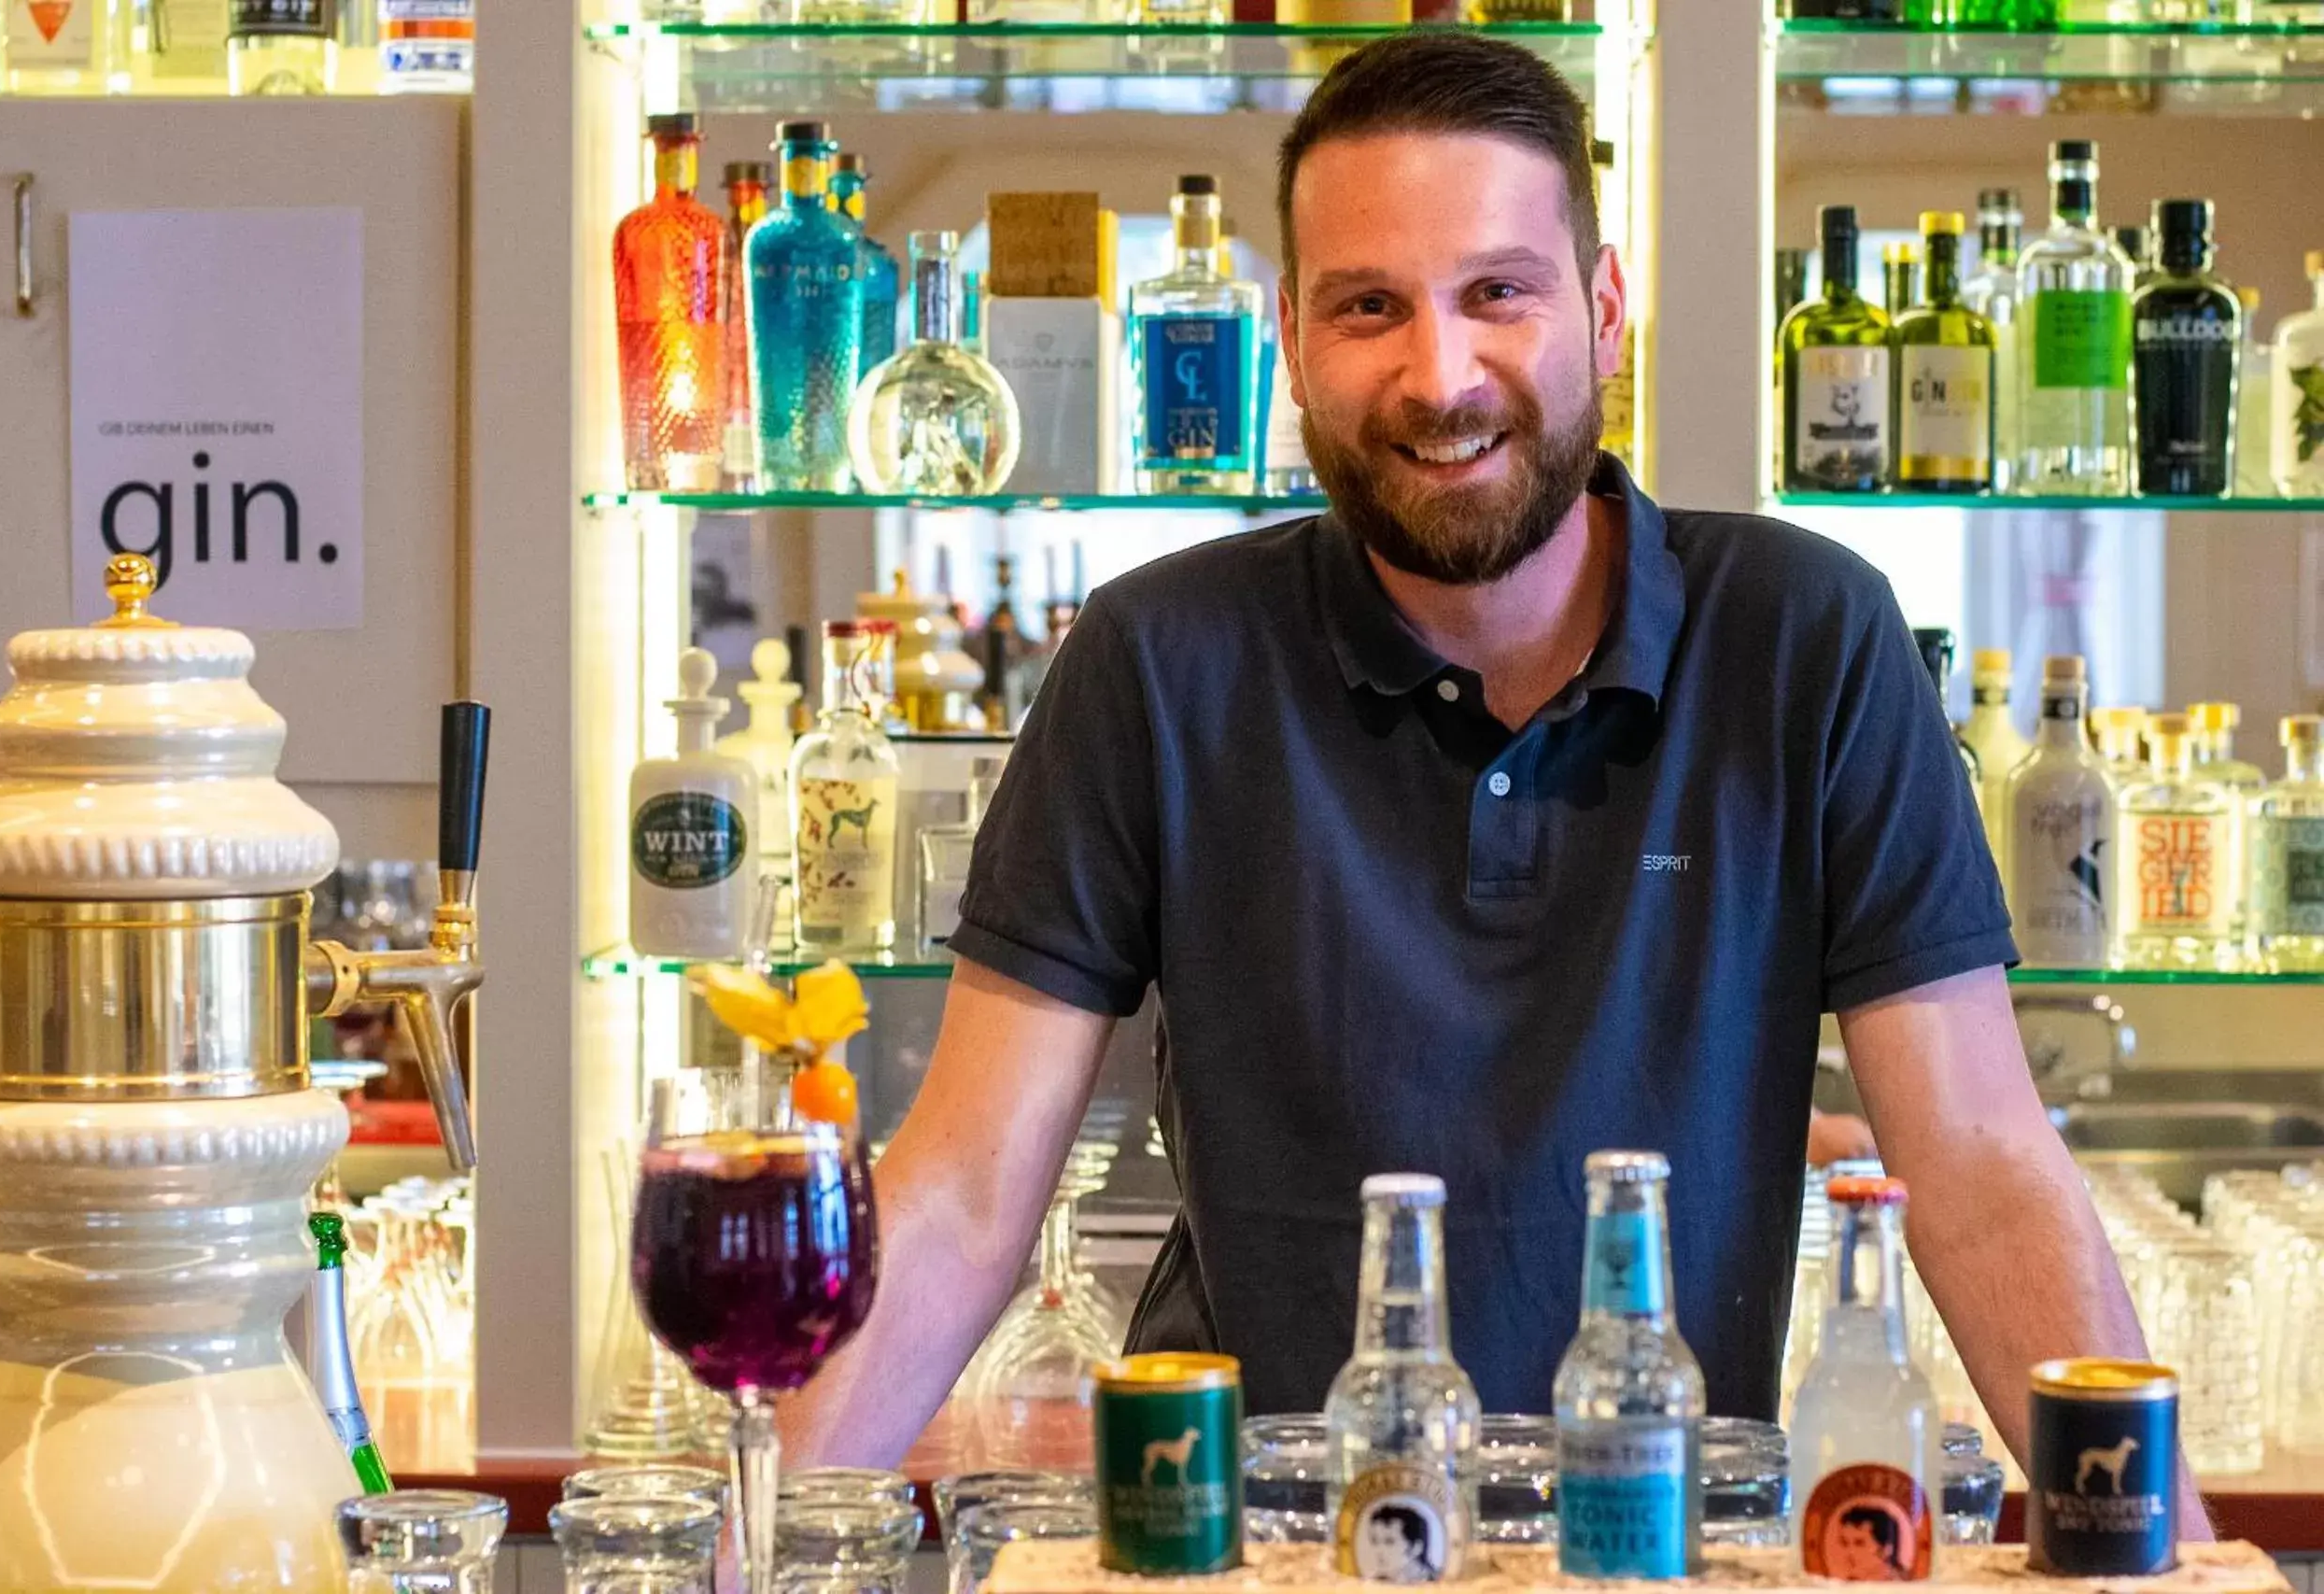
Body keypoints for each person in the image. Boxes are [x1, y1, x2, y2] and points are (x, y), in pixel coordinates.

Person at [781, 32, 2197, 1524]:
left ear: (1603, 307)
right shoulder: (1159, 656)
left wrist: (2169, 1552)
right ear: (1291, 337)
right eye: (1369, 307)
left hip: (1657, 1544)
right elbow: (959, 1195)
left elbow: (1978, 1162)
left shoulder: (1809, 640)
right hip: (1248, 1548)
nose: (1438, 375)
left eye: (1498, 292)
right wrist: (758, 1540)